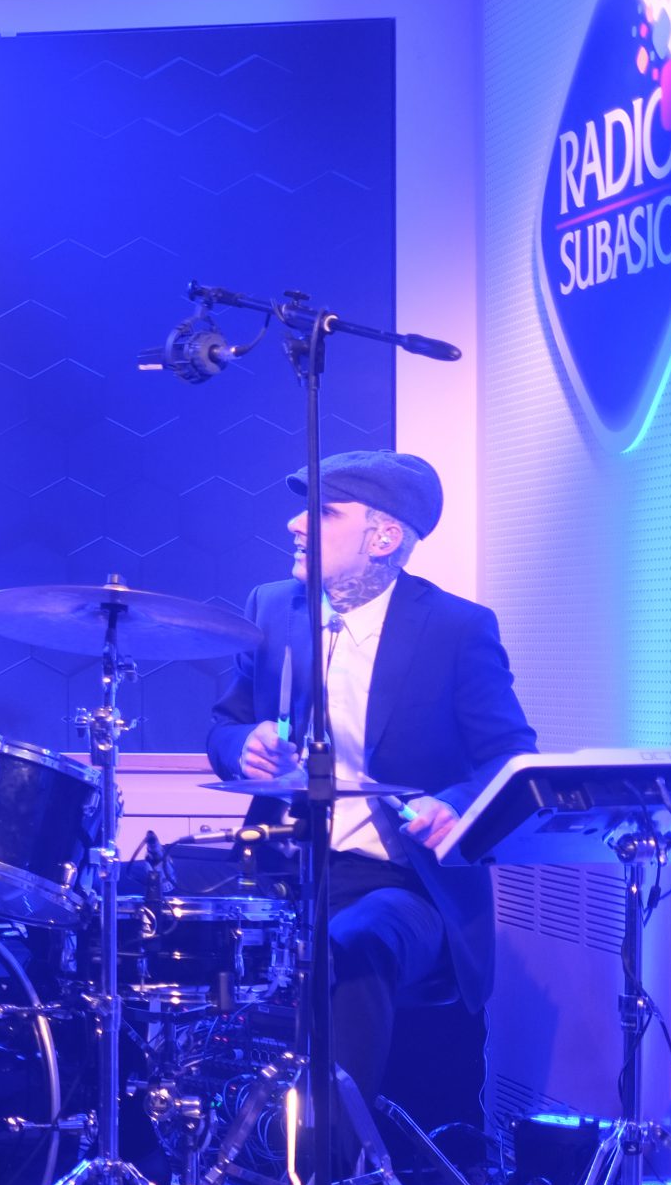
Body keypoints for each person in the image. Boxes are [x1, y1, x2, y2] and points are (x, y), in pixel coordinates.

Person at [206, 450, 537, 1105]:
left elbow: (509, 755)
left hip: (403, 881)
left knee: (350, 942)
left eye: (324, 512)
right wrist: (244, 747)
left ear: (382, 537)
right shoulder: (272, 607)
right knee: (143, 915)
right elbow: (224, 726)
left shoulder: (455, 629)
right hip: (286, 865)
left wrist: (455, 804)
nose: (296, 524)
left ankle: (332, 1159)